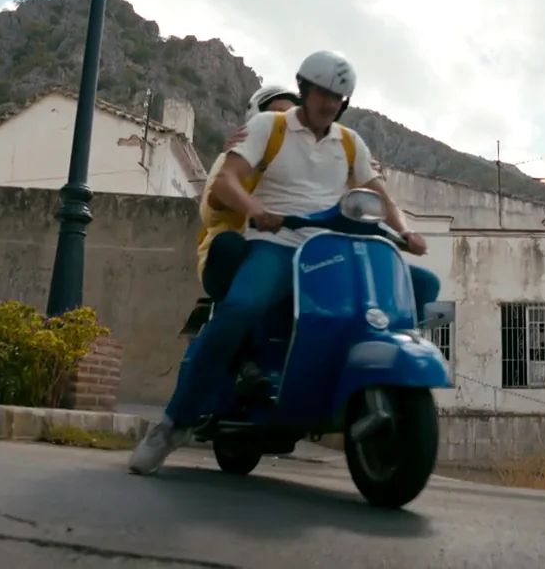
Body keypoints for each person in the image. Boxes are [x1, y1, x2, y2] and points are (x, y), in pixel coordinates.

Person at [129, 50, 442, 476]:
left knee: (420, 287)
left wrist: (405, 232)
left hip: (333, 248)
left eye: (337, 96)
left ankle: (357, 378)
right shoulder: (268, 128)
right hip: (276, 242)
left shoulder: (351, 144)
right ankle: (173, 423)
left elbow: (380, 196)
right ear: (305, 89)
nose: (328, 102)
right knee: (240, 307)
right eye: (321, 92)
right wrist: (256, 210)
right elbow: (226, 178)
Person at [198, 85, 300, 304]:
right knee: (229, 244)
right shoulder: (235, 158)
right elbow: (210, 212)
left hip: (286, 258)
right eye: (277, 114)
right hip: (239, 259)